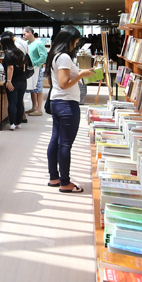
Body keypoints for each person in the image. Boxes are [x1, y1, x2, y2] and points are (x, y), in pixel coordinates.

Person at [45, 25, 92, 194]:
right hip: (66, 104)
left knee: (56, 140)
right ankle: (65, 182)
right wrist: (81, 74)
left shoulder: (55, 55)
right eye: (76, 42)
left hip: (57, 102)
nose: (76, 45)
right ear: (70, 40)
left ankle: (54, 177)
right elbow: (64, 84)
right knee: (65, 144)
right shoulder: (64, 57)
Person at [0, 32, 27, 130]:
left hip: (13, 81)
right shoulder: (19, 52)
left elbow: (10, 68)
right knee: (20, 102)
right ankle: (18, 122)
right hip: (23, 81)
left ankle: (12, 123)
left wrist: (9, 81)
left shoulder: (8, 54)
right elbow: (23, 66)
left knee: (12, 102)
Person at [23, 27, 47, 116]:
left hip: (37, 68)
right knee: (32, 88)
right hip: (29, 69)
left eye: (25, 33)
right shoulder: (26, 43)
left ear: (30, 33)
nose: (23, 36)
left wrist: (35, 63)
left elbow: (44, 56)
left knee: (38, 89)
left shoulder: (39, 43)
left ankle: (39, 109)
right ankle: (33, 107)